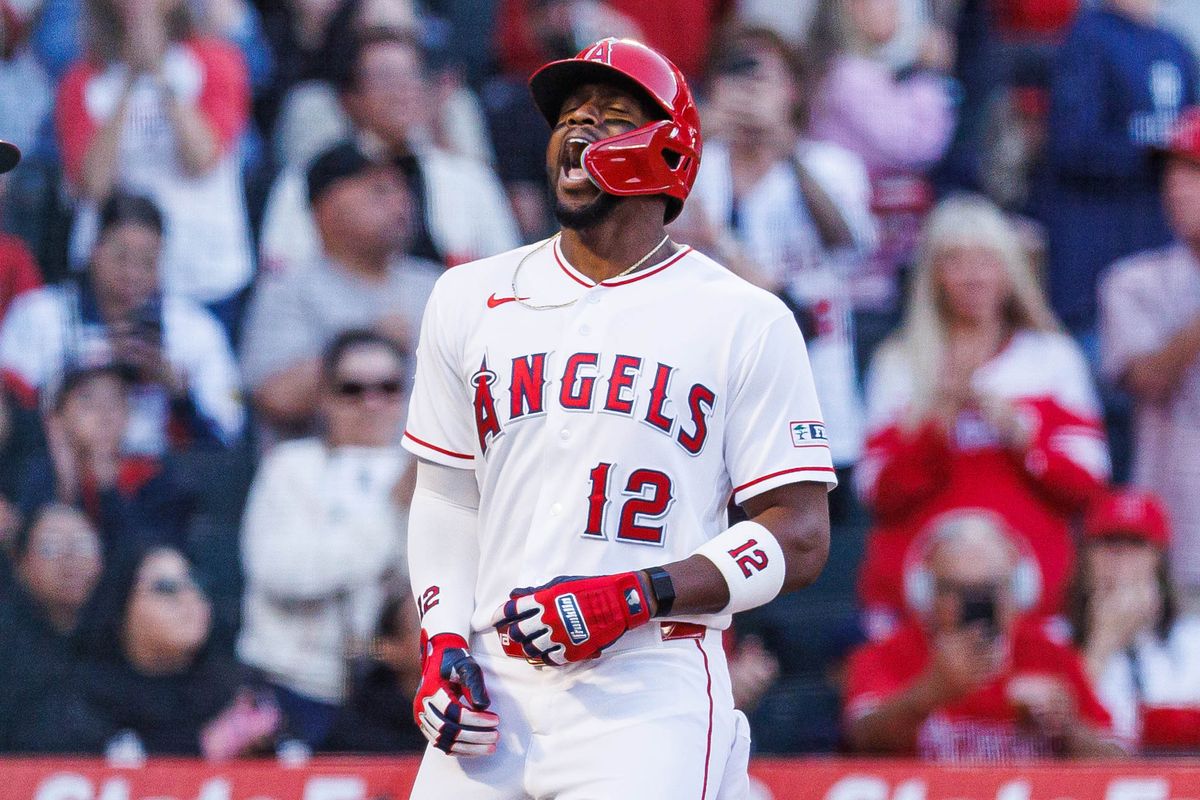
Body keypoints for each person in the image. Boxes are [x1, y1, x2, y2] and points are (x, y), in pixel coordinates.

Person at [403, 38, 834, 797]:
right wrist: (442, 640)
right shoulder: (467, 296)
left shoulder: (744, 318)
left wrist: (637, 592)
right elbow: (444, 495)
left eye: (608, 117)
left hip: (648, 678)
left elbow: (798, 535)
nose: (577, 130)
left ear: (670, 149)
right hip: (493, 680)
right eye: (568, 115)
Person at [856, 195, 1108, 637]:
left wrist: (1020, 435)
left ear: (1012, 271)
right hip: (917, 613)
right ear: (932, 275)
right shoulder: (899, 363)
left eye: (987, 259)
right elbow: (876, 492)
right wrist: (939, 422)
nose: (973, 276)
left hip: (1035, 610)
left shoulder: (1052, 357)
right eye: (955, 260)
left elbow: (1088, 481)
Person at [678, 26, 876, 473]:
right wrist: (693, 134)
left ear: (792, 90)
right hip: (708, 395)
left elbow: (849, 240)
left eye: (761, 76)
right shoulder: (694, 165)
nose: (748, 90)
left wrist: (785, 148)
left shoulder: (828, 165)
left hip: (812, 390)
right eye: (736, 74)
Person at [238, 330, 410, 748]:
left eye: (388, 388)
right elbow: (283, 572)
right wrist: (392, 511)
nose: (372, 403)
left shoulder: (422, 469)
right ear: (326, 398)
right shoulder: (291, 466)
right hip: (290, 692)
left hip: (392, 698)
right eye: (353, 390)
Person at [844, 510, 1121, 761]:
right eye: (956, 589)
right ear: (924, 593)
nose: (974, 603)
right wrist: (929, 693)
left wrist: (1066, 726)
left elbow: (1119, 760)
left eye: (990, 589)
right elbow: (861, 738)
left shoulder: (1050, 654)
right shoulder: (888, 653)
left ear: (1020, 592)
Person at [258, 27, 518, 276]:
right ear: (350, 98)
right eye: (384, 77)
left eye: (411, 75)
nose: (401, 90)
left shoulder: (470, 180)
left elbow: (509, 276)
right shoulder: (306, 181)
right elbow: (283, 272)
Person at [55, 0, 255, 324]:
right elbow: (93, 183)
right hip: (113, 282)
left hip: (203, 272)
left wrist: (160, 72)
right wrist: (130, 81)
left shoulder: (218, 61)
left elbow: (201, 159)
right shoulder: (81, 79)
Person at [0, 193, 244, 454]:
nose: (132, 273)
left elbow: (228, 434)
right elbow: (9, 416)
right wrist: (88, 370)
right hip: (57, 470)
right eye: (121, 257)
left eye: (147, 262)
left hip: (159, 477)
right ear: (94, 250)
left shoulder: (194, 329)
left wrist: (177, 393)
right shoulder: (38, 315)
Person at [240, 141, 438, 440]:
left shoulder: (440, 285)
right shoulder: (288, 290)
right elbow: (276, 398)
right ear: (324, 208)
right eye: (380, 190)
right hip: (323, 476)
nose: (400, 203)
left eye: (402, 190)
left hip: (429, 476)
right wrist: (371, 344)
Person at [1043, 0, 1198, 340]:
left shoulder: (1177, 46)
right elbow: (1072, 146)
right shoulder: (1087, 40)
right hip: (1094, 267)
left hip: (1163, 264)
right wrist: (1153, 154)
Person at [33, 545, 278, 757]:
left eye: (196, 582)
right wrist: (201, 748)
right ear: (121, 606)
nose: (189, 596)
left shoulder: (241, 691)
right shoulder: (81, 699)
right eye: (166, 587)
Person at [1099, 107, 1200, 598]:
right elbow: (1149, 378)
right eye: (1175, 171)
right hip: (1175, 546)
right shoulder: (1132, 281)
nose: (1178, 187)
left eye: (1196, 172)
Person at [806, 0, 956, 318]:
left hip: (873, 266)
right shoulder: (848, 74)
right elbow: (916, 144)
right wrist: (931, 74)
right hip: (859, 278)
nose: (895, 9)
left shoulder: (857, 70)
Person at [1070, 489, 1200, 752]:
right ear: (1085, 560)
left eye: (1136, 544)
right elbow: (1060, 732)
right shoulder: (1054, 639)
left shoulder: (1193, 640)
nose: (1121, 560)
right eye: (1109, 543)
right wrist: (1102, 642)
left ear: (1158, 560)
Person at [14, 364, 194, 554]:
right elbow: (27, 554)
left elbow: (149, 556)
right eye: (88, 401)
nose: (105, 414)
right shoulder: (40, 473)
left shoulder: (153, 476)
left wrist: (108, 491)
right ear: (59, 417)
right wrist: (66, 485)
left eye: (115, 400)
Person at [0, 504, 103, 751]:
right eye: (51, 548)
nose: (71, 560)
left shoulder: (117, 634)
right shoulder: (6, 640)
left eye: (83, 546)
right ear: (20, 562)